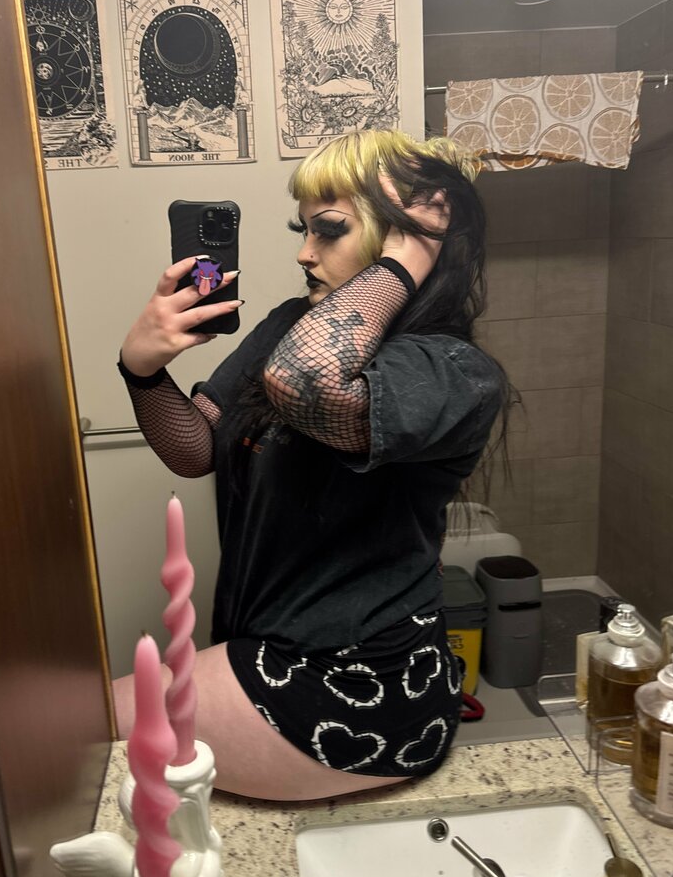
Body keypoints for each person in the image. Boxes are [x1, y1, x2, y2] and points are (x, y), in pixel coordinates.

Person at [113, 129, 511, 801]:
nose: (305, 252)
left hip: (365, 684)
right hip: (267, 648)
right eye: (304, 229)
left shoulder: (454, 373)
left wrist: (410, 256)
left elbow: (308, 382)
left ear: (400, 238)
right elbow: (197, 448)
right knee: (67, 737)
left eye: (329, 229)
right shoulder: (289, 324)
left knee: (74, 739)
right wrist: (142, 371)